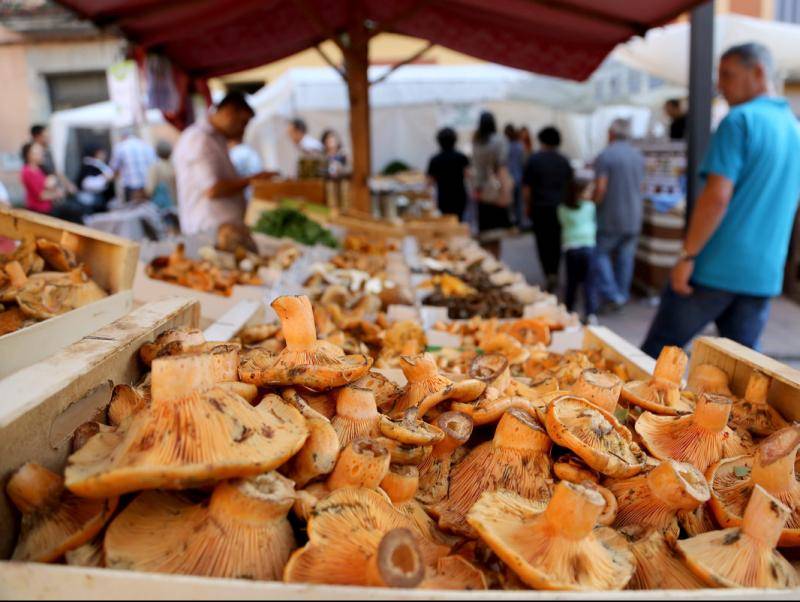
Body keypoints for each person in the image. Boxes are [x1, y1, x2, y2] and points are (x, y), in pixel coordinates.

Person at [642, 43, 800, 357]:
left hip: (714, 265)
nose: (721, 85)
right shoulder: (794, 129)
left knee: (652, 357)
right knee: (741, 371)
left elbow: (716, 197)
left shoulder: (739, 120)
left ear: (758, 72)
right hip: (763, 272)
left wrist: (687, 256)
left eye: (727, 75)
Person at [173, 91, 266, 235]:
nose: (243, 130)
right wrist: (252, 180)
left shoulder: (216, 138)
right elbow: (212, 189)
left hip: (222, 230)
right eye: (243, 123)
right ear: (229, 113)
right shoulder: (199, 139)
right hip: (209, 231)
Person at [592, 118, 645, 311]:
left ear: (611, 133)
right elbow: (641, 186)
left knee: (600, 254)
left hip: (611, 216)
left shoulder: (606, 155)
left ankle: (611, 294)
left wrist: (592, 204)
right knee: (626, 258)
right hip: (634, 216)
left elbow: (601, 188)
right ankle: (621, 295)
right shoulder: (638, 156)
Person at [523, 126, 573, 293]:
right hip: (560, 208)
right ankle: (554, 271)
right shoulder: (564, 160)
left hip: (540, 208)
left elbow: (527, 188)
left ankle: (548, 273)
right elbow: (570, 185)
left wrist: (527, 206)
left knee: (542, 242)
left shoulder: (534, 160)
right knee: (556, 241)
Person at [471, 111, 512, 258]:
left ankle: (485, 261)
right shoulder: (499, 140)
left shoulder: (476, 141)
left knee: (484, 234)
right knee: (495, 234)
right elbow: (501, 168)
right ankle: (494, 262)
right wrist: (505, 192)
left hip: (479, 189)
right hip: (495, 189)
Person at [558, 177, 597, 322]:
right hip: (587, 246)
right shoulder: (590, 207)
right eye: (588, 191)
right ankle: (590, 313)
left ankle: (569, 310)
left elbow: (563, 223)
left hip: (571, 248)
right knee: (589, 282)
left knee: (572, 282)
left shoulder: (562, 208)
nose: (591, 194)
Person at [20, 142, 84, 223]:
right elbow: (41, 196)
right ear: (29, 155)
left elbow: (48, 183)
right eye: (37, 153)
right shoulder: (28, 171)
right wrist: (58, 193)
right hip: (40, 211)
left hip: (48, 207)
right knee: (75, 211)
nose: (41, 154)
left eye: (41, 152)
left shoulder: (39, 169)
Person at [426, 127, 469, 220]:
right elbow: (467, 175)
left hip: (443, 197)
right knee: (459, 220)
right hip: (459, 195)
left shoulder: (435, 160)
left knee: (446, 221)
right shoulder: (462, 157)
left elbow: (429, 182)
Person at [110, 128, 156, 203]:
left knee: (132, 208)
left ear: (123, 136)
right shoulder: (145, 145)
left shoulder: (120, 147)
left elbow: (115, 168)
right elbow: (154, 163)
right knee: (147, 207)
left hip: (131, 187)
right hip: (147, 185)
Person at [30, 124, 77, 194]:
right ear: (37, 137)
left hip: (51, 191)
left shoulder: (47, 151)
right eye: (45, 136)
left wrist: (67, 184)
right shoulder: (33, 157)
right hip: (44, 192)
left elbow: (55, 171)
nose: (48, 138)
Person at [76, 145, 115, 212]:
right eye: (101, 153)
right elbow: (87, 183)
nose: (104, 155)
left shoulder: (98, 164)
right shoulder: (89, 166)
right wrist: (104, 178)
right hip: (92, 198)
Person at [504, 124, 526, 229]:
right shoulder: (519, 146)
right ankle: (519, 221)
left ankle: (511, 222)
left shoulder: (506, 146)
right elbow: (522, 162)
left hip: (508, 177)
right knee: (518, 201)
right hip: (518, 176)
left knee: (510, 202)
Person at [146, 140, 177, 210]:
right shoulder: (176, 165)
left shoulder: (155, 168)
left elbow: (150, 190)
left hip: (163, 207)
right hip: (178, 203)